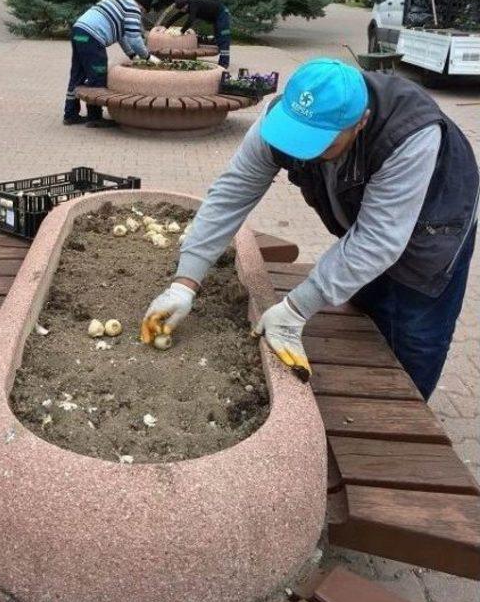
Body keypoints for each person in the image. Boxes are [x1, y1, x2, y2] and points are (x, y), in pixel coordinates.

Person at [142, 58, 478, 400]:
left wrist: (295, 309)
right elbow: (232, 193)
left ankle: (406, 420)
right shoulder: (285, 116)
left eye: (322, 143)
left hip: (434, 226)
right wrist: (185, 282)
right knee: (365, 307)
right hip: (371, 222)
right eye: (297, 138)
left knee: (413, 333)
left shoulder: (408, 133)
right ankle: (363, 398)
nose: (305, 152)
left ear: (360, 123)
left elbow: (378, 241)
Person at [64, 0, 158, 127]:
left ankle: (70, 114)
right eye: (143, 12)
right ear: (142, 7)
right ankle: (95, 118)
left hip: (79, 32)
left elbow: (122, 36)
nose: (141, 15)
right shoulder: (133, 8)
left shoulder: (121, 3)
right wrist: (148, 57)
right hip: (92, 37)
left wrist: (132, 55)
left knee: (78, 73)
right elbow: (135, 40)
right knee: (98, 74)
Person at [165, 0, 232, 68]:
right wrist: (165, 27)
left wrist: (182, 31)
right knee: (218, 37)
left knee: (223, 37)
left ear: (186, 5)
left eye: (183, 9)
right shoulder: (187, 6)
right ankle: (222, 61)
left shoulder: (194, 5)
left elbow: (190, 20)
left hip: (222, 13)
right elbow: (176, 16)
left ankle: (224, 64)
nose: (183, 11)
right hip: (216, 17)